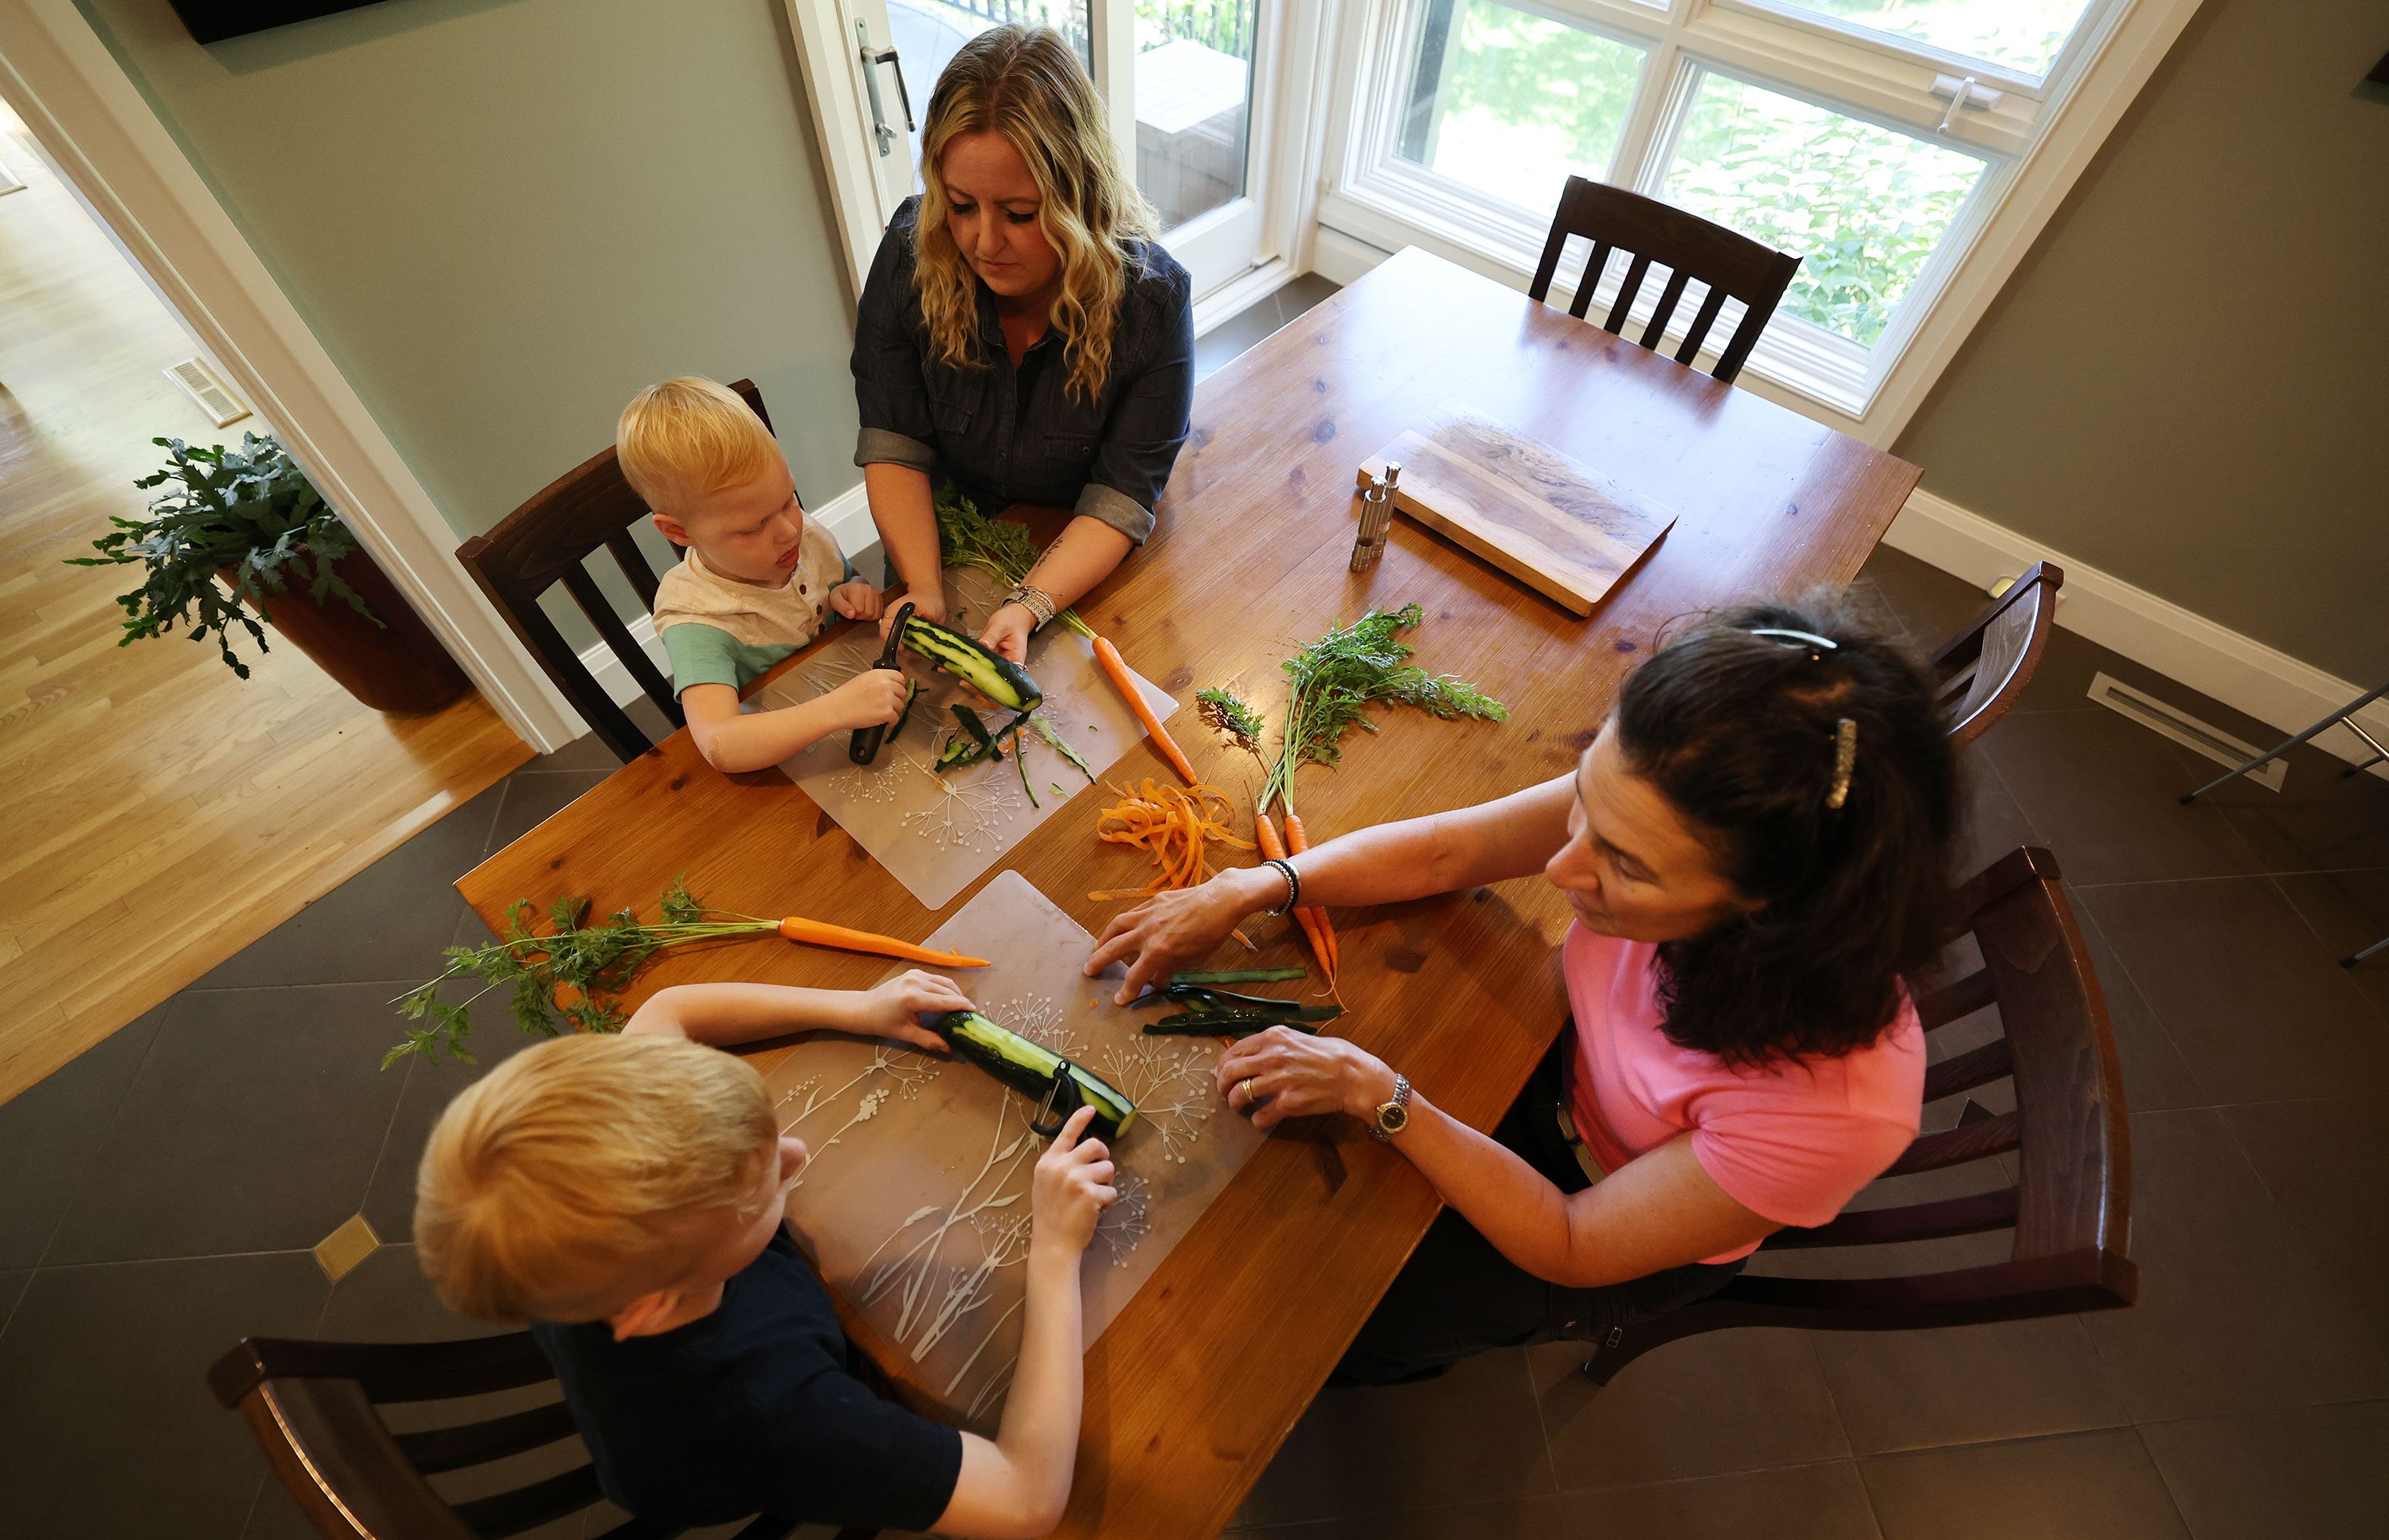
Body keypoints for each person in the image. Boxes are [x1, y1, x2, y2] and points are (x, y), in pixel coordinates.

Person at [1084, 602, 1959, 1383]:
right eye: (1583, 801)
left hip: (1602, 1205)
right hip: (1556, 1067)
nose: (1560, 863)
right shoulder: (1655, 785)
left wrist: (1378, 1093)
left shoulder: (1839, 1109)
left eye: (1623, 864)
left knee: (1334, 1322)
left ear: (1767, 906)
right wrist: (1256, 885)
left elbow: (1573, 1239)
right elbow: (1445, 850)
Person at [413, 971, 1119, 1535]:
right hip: (731, 1455)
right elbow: (1029, 1499)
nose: (795, 1155)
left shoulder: (591, 1222)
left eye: (766, 1138)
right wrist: (1054, 1253)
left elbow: (672, 1009)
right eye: (756, 1192)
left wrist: (860, 1009)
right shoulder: (777, 1414)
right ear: (652, 1300)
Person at [852, 25, 1194, 665]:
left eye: (1018, 214)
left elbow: (1120, 496)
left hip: (1079, 553)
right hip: (942, 540)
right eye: (959, 205)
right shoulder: (908, 261)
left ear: (1080, 197)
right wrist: (923, 587)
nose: (983, 243)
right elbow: (895, 445)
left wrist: (1028, 604)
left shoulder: (1152, 302)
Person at [619, 376, 909, 773]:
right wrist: (838, 710)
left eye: (788, 498)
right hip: (784, 761)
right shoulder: (697, 618)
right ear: (680, 533)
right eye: (753, 528)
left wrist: (855, 591)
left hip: (851, 709)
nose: (791, 530)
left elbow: (845, 583)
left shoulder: (798, 535)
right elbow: (722, 744)